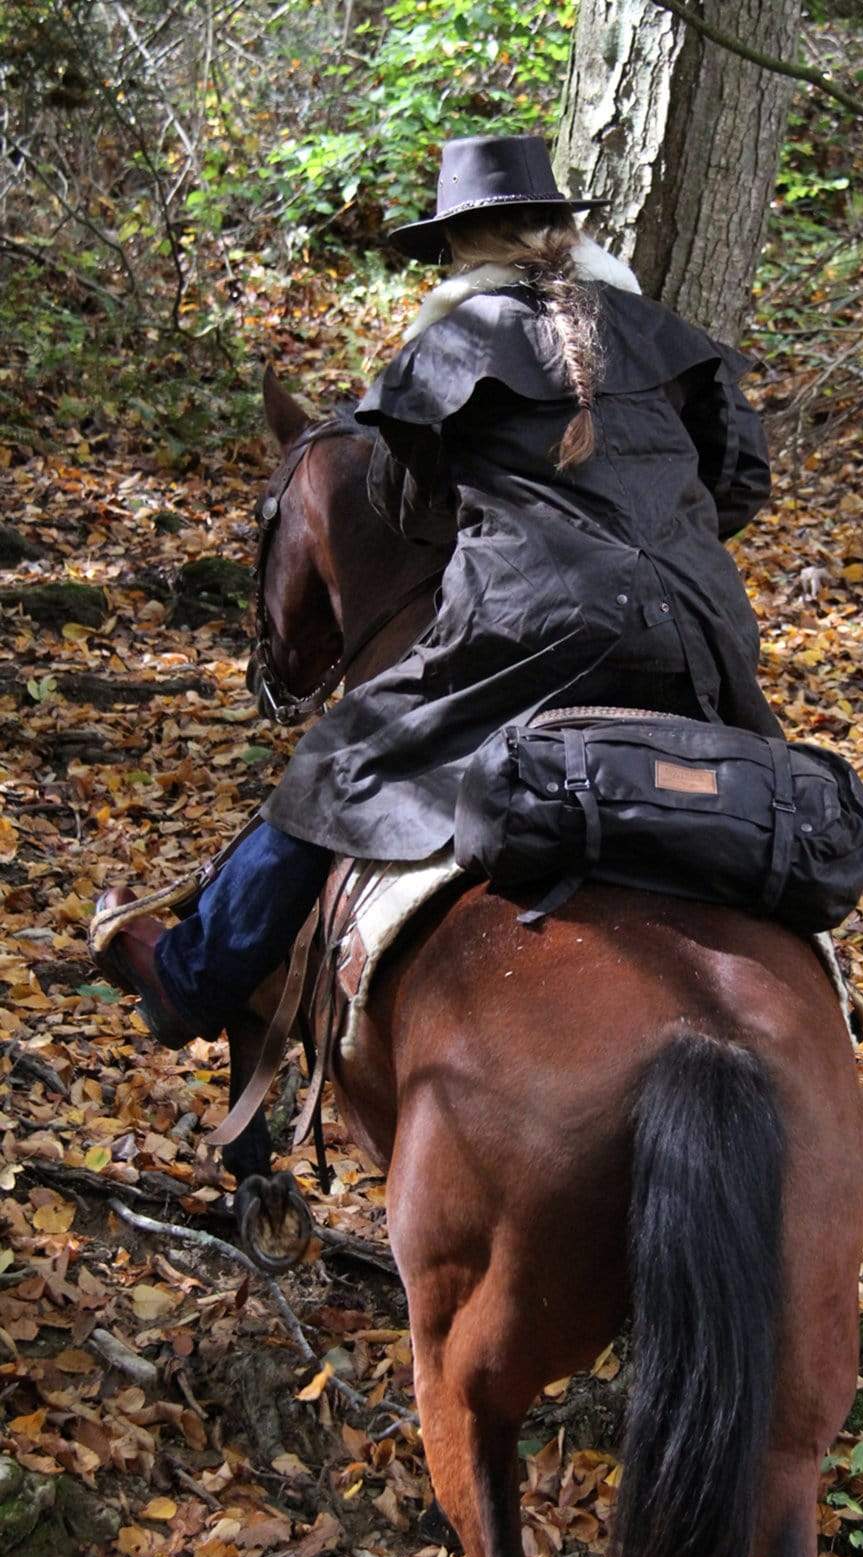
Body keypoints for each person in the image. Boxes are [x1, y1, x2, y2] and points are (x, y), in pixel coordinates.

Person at [94, 133, 782, 1044]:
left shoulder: (452, 349)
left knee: (341, 765)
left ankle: (195, 973)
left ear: (461, 246)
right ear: (559, 230)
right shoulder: (673, 339)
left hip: (534, 634)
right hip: (703, 636)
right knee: (768, 799)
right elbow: (740, 479)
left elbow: (413, 511)